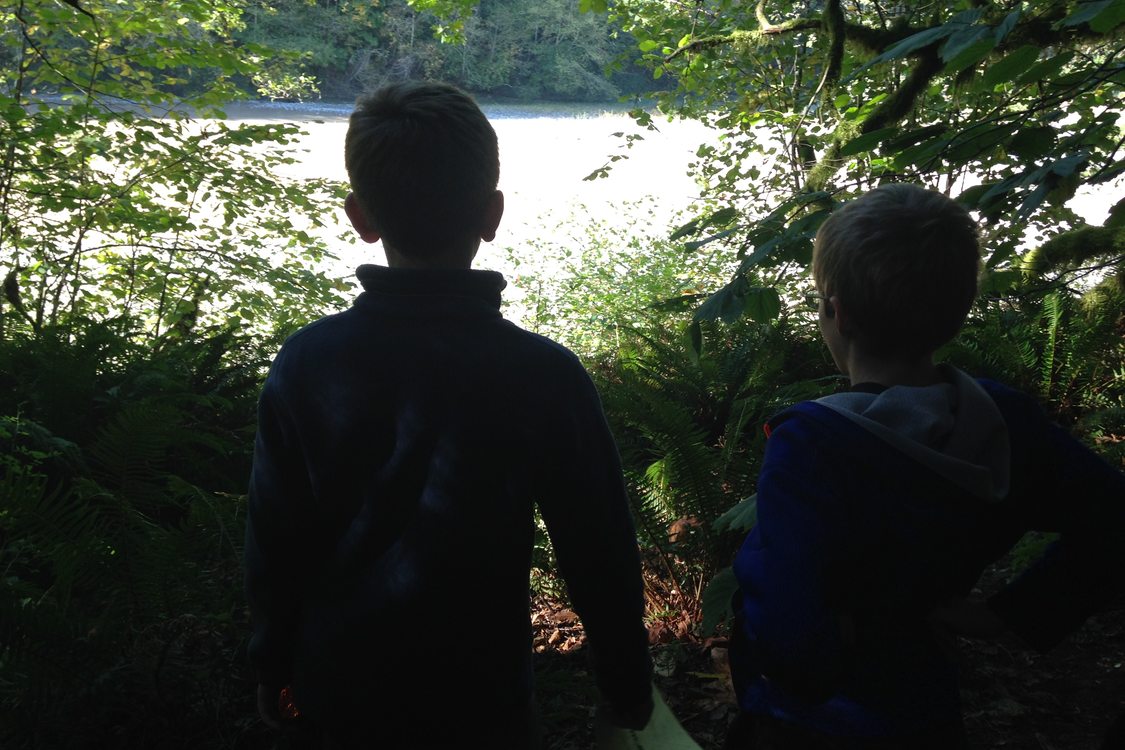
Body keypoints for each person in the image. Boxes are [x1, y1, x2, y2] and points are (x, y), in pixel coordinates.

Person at [244, 81, 653, 749]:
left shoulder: (308, 363)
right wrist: (625, 681)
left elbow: (276, 537)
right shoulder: (543, 374)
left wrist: (272, 665)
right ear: (491, 215)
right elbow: (598, 547)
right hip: (483, 700)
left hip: (338, 692)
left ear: (360, 216)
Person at [725, 183, 1125, 749]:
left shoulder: (814, 442)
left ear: (835, 313)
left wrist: (789, 675)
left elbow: (786, 614)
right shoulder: (1001, 419)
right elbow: (1113, 513)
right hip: (923, 701)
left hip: (814, 720)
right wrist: (1013, 614)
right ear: (959, 311)